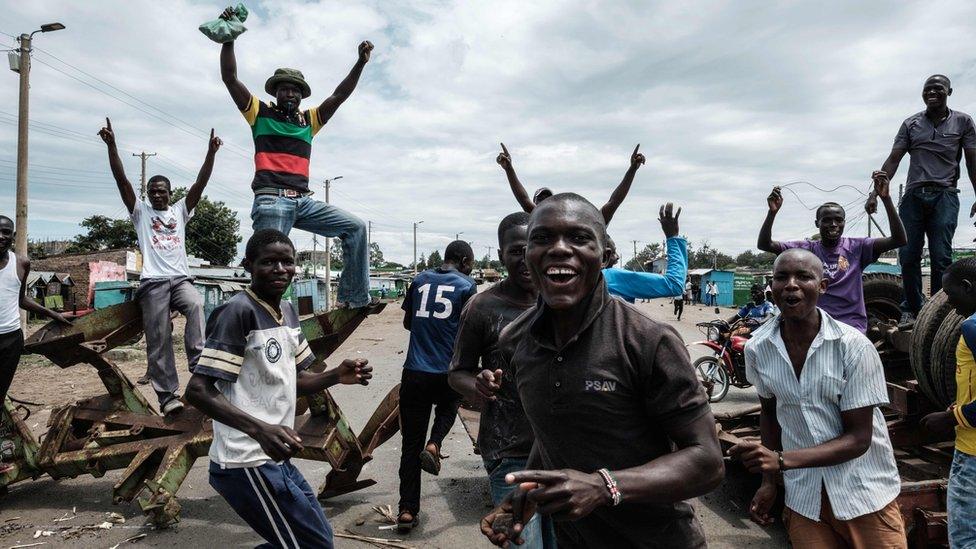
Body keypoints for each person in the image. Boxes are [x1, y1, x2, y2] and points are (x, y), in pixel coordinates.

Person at [480, 193, 724, 548]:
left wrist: (604, 486)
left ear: (605, 254)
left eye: (579, 238)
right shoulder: (516, 341)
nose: (559, 249)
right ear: (525, 254)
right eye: (542, 238)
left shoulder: (649, 340)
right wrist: (526, 495)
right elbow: (551, 430)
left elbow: (708, 463)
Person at [185, 229, 373, 549]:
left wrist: (336, 376)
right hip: (244, 462)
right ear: (248, 265)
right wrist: (261, 430)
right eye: (268, 262)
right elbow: (198, 391)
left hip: (273, 456)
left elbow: (296, 378)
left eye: (287, 262)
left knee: (318, 539)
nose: (280, 270)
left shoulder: (286, 312)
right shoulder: (237, 311)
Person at [729, 249, 905, 549]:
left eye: (804, 277)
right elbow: (770, 413)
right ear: (772, 288)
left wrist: (781, 460)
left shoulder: (853, 348)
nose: (792, 285)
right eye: (782, 277)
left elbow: (859, 438)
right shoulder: (758, 348)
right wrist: (769, 482)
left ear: (822, 287)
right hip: (805, 499)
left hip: (863, 492)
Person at [217, 6, 374, 309]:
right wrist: (229, 39)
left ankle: (354, 300)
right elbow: (230, 77)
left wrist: (360, 63)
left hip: (302, 201)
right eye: (285, 89)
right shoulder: (258, 113)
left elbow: (339, 95)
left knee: (355, 227)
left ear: (302, 96)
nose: (290, 95)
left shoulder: (309, 121)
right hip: (272, 200)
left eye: (295, 91)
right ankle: (258, 312)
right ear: (276, 92)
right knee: (270, 261)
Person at [98, 119, 220, 415]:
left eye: (161, 191)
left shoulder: (180, 210)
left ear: (169, 192)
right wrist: (112, 146)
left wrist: (211, 154)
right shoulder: (140, 213)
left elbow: (199, 185)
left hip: (180, 279)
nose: (156, 195)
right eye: (152, 191)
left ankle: (198, 364)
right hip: (152, 282)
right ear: (148, 193)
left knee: (194, 305)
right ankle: (167, 396)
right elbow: (122, 181)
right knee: (159, 336)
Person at [448, 212, 554, 548]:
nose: (525, 260)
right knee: (521, 542)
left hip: (561, 452)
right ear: (500, 255)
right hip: (508, 451)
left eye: (533, 247)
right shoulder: (481, 307)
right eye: (515, 251)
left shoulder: (562, 301)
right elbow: (456, 373)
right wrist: (476, 386)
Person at [867, 74, 976, 323]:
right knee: (908, 255)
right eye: (927, 89)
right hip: (914, 196)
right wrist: (874, 193)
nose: (932, 93)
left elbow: (972, 162)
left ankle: (938, 310)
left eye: (938, 89)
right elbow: (893, 160)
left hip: (945, 196)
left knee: (941, 257)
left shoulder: (963, 122)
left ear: (950, 91)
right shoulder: (911, 123)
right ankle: (911, 307)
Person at [758, 172, 907, 333]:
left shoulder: (858, 247)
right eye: (827, 220)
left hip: (851, 326)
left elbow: (899, 239)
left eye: (838, 220)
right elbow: (765, 244)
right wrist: (772, 213)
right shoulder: (805, 250)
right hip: (815, 326)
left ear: (844, 222)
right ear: (817, 223)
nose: (834, 224)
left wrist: (886, 198)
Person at [397, 240, 477, 533]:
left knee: (409, 446)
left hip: (414, 371)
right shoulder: (467, 286)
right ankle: (436, 443)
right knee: (450, 405)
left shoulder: (418, 280)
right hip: (447, 372)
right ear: (464, 261)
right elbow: (470, 331)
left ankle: (407, 510)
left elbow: (408, 323)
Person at [0, 215, 71, 471]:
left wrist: (53, 314)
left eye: (6, 232)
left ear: (13, 236)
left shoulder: (22, 264)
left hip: (10, 339)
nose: (1, 236)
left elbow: (21, 300)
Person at [920, 257, 976, 547]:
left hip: (973, 451)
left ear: (967, 287)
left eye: (952, 296)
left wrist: (952, 419)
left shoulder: (972, 327)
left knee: (966, 538)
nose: (950, 306)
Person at [497, 142, 645, 224]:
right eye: (540, 200)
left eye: (548, 199)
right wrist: (509, 169)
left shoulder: (582, 224)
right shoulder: (539, 223)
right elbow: (523, 199)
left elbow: (613, 202)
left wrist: (632, 170)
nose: (544, 203)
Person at [601, 203, 688, 304]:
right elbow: (674, 285)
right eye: (613, 252)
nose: (617, 257)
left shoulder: (585, 280)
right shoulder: (610, 277)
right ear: (604, 256)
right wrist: (673, 238)